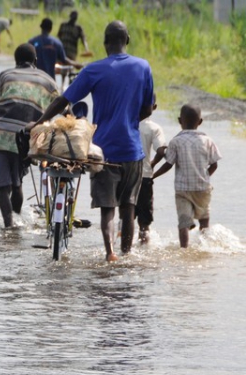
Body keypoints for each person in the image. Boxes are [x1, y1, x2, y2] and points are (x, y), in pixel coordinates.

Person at [28, 20, 154, 262]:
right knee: (128, 208)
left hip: (102, 151)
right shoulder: (143, 67)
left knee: (108, 209)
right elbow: (147, 108)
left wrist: (39, 123)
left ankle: (110, 253)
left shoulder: (94, 70)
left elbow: (63, 101)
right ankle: (127, 257)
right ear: (127, 40)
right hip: (133, 151)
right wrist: (129, 120)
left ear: (105, 43)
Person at [0, 43, 60, 228]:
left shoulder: (5, 75)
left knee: (3, 188)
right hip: (25, 137)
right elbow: (59, 105)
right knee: (17, 182)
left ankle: (8, 225)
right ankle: (17, 222)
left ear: (15, 61)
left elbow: (6, 97)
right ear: (35, 61)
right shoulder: (48, 80)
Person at [152, 104, 221, 248]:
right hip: (203, 188)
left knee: (183, 222)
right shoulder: (208, 140)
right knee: (204, 219)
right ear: (200, 122)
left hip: (182, 190)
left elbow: (168, 164)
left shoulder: (176, 141)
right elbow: (214, 164)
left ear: (179, 120)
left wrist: (153, 176)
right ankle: (205, 247)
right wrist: (204, 176)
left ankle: (184, 249)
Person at [137, 93, 167, 244]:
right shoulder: (154, 128)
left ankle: (124, 249)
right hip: (145, 177)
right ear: (154, 107)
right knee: (144, 223)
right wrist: (153, 163)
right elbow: (161, 150)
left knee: (126, 215)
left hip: (126, 176)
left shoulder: (126, 124)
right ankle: (143, 247)